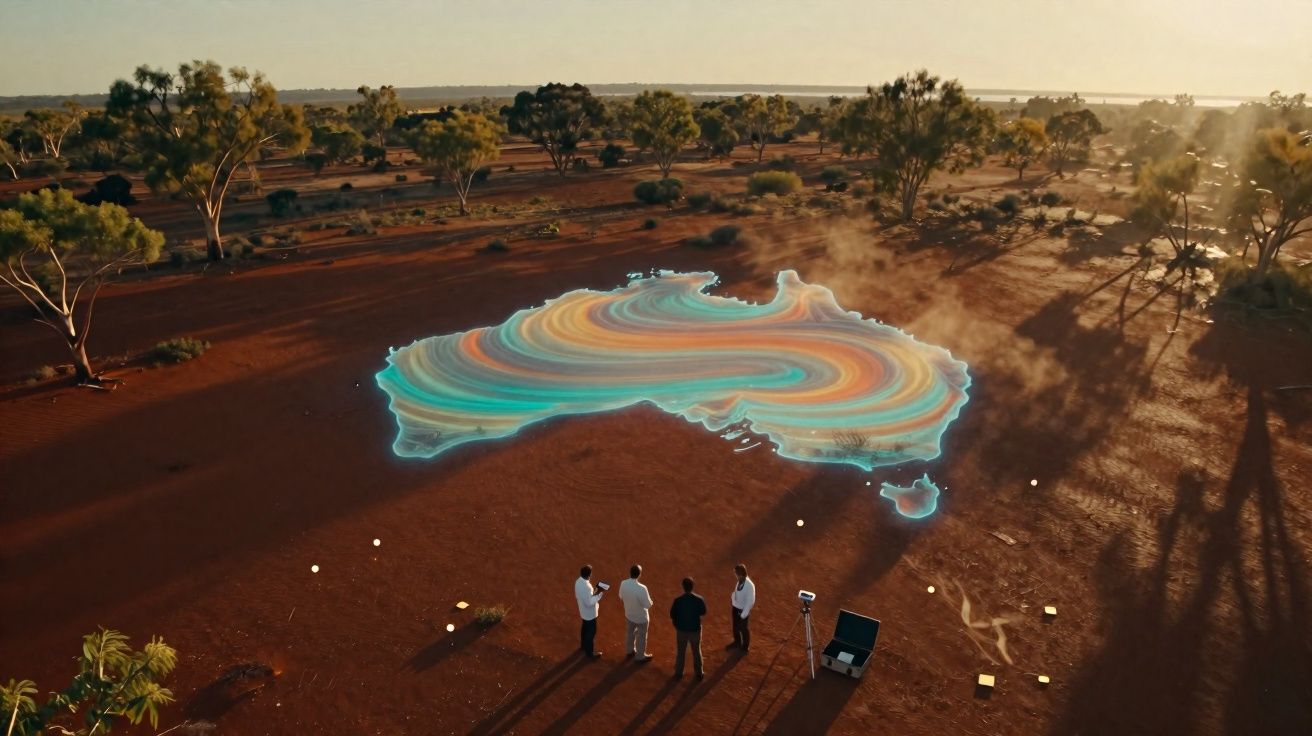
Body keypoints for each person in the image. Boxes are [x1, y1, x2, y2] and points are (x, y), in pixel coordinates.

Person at [669, 576, 707, 679]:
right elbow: (703, 612)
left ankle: (678, 672)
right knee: (696, 651)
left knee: (681, 651)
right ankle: (699, 673)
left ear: (683, 587)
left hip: (681, 630)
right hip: (695, 630)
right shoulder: (699, 599)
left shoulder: (678, 601)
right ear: (692, 586)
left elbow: (672, 615)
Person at [619, 564, 654, 661]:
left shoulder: (623, 583)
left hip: (629, 615)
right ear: (639, 575)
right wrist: (651, 602)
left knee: (630, 633)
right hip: (641, 618)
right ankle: (640, 656)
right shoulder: (642, 588)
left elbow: (621, 596)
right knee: (642, 636)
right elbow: (647, 605)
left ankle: (629, 650)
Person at [575, 564, 605, 658]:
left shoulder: (578, 581)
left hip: (583, 611)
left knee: (584, 629)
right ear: (589, 574)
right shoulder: (587, 586)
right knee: (591, 632)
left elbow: (585, 596)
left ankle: (583, 646)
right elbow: (589, 603)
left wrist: (594, 592)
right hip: (590, 614)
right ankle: (590, 653)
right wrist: (599, 594)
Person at [729, 563, 756, 653]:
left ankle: (745, 647)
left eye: (736, 574)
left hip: (743, 611)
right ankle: (737, 642)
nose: (735, 575)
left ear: (740, 575)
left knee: (743, 628)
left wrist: (743, 614)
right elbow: (737, 592)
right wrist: (733, 598)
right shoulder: (740, 581)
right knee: (735, 627)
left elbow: (750, 602)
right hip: (736, 608)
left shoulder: (750, 586)